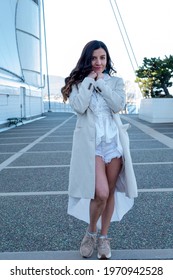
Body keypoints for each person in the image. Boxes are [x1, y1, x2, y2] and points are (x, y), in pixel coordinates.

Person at [61, 40, 137, 259]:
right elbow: (79, 106)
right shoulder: (79, 83)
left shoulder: (116, 82)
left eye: (102, 58)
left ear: (107, 59)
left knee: (110, 192)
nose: (98, 62)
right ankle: (90, 232)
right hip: (91, 146)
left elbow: (117, 105)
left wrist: (102, 83)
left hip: (114, 143)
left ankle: (104, 239)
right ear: (88, 59)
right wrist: (88, 81)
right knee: (101, 192)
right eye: (94, 58)